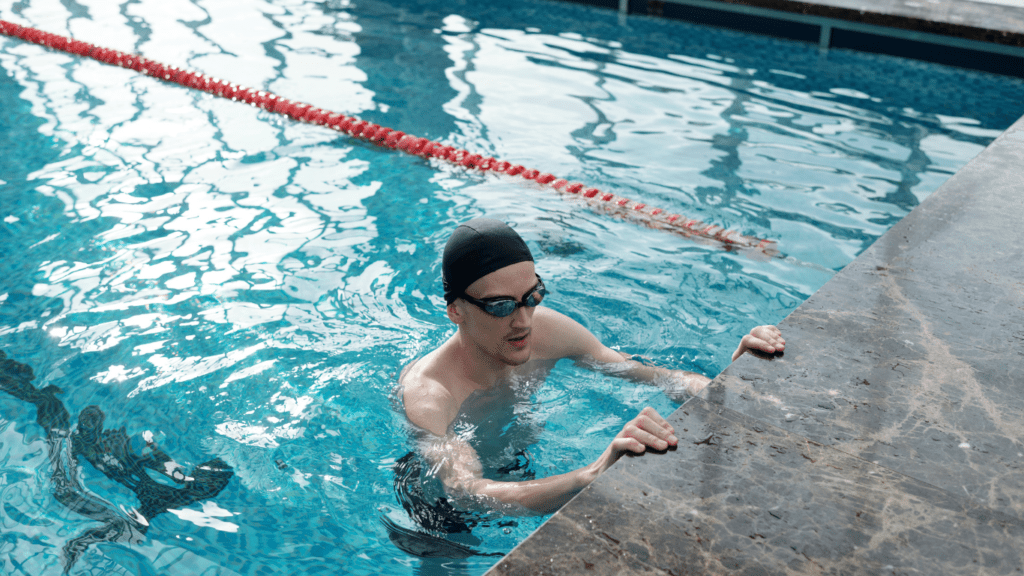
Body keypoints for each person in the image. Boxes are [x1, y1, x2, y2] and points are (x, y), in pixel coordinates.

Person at [396, 218, 784, 521]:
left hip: (519, 465)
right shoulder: (430, 394)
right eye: (500, 306)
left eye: (532, 296)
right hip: (442, 510)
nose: (523, 320)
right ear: (455, 310)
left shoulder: (545, 331)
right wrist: (591, 476)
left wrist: (728, 382)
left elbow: (658, 377)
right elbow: (465, 490)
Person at [0, 350, 233, 574]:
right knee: (53, 410)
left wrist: (80, 543)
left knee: (51, 408)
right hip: (90, 469)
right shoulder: (173, 496)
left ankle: (12, 376)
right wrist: (81, 542)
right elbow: (119, 527)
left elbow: (112, 529)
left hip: (76, 478)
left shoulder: (165, 500)